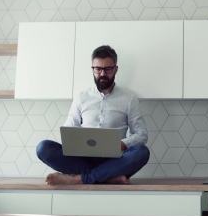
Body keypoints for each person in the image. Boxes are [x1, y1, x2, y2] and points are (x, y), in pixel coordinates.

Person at [36, 45, 150, 185]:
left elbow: (141, 134)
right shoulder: (82, 97)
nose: (102, 74)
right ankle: (107, 177)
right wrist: (74, 142)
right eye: (98, 69)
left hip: (114, 160)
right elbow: (69, 130)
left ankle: (79, 178)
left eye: (107, 69)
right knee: (43, 148)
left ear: (115, 69)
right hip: (82, 159)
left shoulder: (129, 99)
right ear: (93, 69)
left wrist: (119, 144)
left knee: (141, 152)